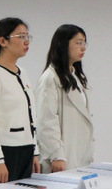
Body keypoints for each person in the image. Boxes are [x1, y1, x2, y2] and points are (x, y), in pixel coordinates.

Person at [0, 17, 39, 183]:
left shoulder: (22, 73)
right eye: (21, 37)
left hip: (25, 149)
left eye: (27, 36)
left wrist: (35, 151)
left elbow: (30, 117)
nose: (26, 41)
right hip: (3, 152)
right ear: (3, 41)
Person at [36, 24, 94, 172]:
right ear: (62, 44)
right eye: (78, 43)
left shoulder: (76, 77)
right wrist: (57, 155)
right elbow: (46, 120)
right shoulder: (50, 78)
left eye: (84, 43)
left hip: (79, 154)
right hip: (61, 158)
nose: (83, 48)